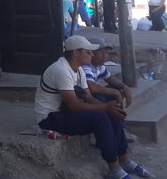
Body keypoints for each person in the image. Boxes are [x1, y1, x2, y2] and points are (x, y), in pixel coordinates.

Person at [35, 36, 154, 179]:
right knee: (100, 116)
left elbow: (89, 98)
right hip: (49, 119)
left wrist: (110, 108)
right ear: (76, 53)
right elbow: (74, 106)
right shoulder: (61, 70)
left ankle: (125, 159)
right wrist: (104, 108)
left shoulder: (78, 70)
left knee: (111, 111)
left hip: (64, 112)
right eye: (88, 52)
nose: (92, 55)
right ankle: (114, 169)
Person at [83, 38, 133, 108]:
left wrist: (124, 87)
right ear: (91, 53)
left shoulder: (99, 66)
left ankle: (116, 112)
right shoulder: (85, 67)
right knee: (99, 96)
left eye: (106, 52)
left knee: (116, 89)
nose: (104, 56)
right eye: (101, 52)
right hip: (83, 100)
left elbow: (110, 78)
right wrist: (115, 93)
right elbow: (92, 88)